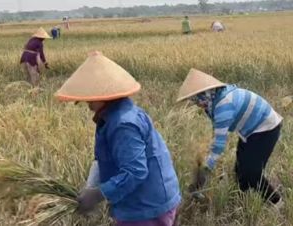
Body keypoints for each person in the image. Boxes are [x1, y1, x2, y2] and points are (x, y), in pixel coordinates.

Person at [55, 51, 181, 226]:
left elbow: (136, 171)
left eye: (90, 99)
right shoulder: (113, 116)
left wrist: (100, 194)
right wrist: (90, 188)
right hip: (151, 198)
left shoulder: (123, 124)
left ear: (104, 96)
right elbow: (101, 159)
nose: (88, 105)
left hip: (146, 206)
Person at [177, 68, 284, 208]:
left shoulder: (223, 105)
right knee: (240, 168)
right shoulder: (214, 99)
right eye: (194, 100)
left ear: (207, 92)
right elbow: (217, 133)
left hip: (266, 128)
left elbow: (220, 144)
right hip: (249, 130)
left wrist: (206, 168)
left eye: (199, 98)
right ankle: (243, 203)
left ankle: (277, 203)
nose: (198, 103)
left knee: (252, 172)